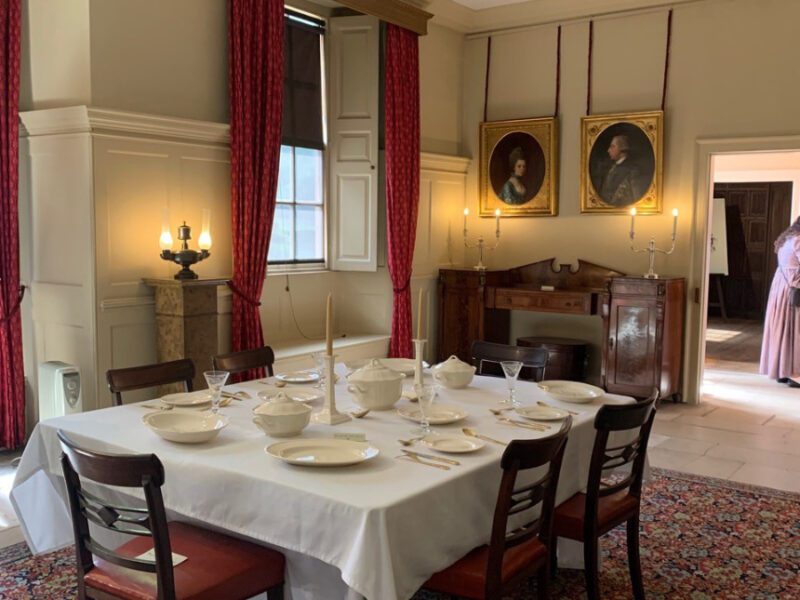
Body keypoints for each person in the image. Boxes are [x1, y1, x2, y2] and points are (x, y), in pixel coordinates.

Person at [760, 217, 800, 386]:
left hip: (781, 288)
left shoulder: (787, 239)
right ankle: (795, 374)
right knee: (793, 329)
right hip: (794, 287)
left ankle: (782, 371)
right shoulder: (798, 240)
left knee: (783, 328)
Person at [598, 135, 645, 207]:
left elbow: (637, 198)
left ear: (622, 149)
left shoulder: (633, 170)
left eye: (612, 146)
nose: (608, 150)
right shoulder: (611, 168)